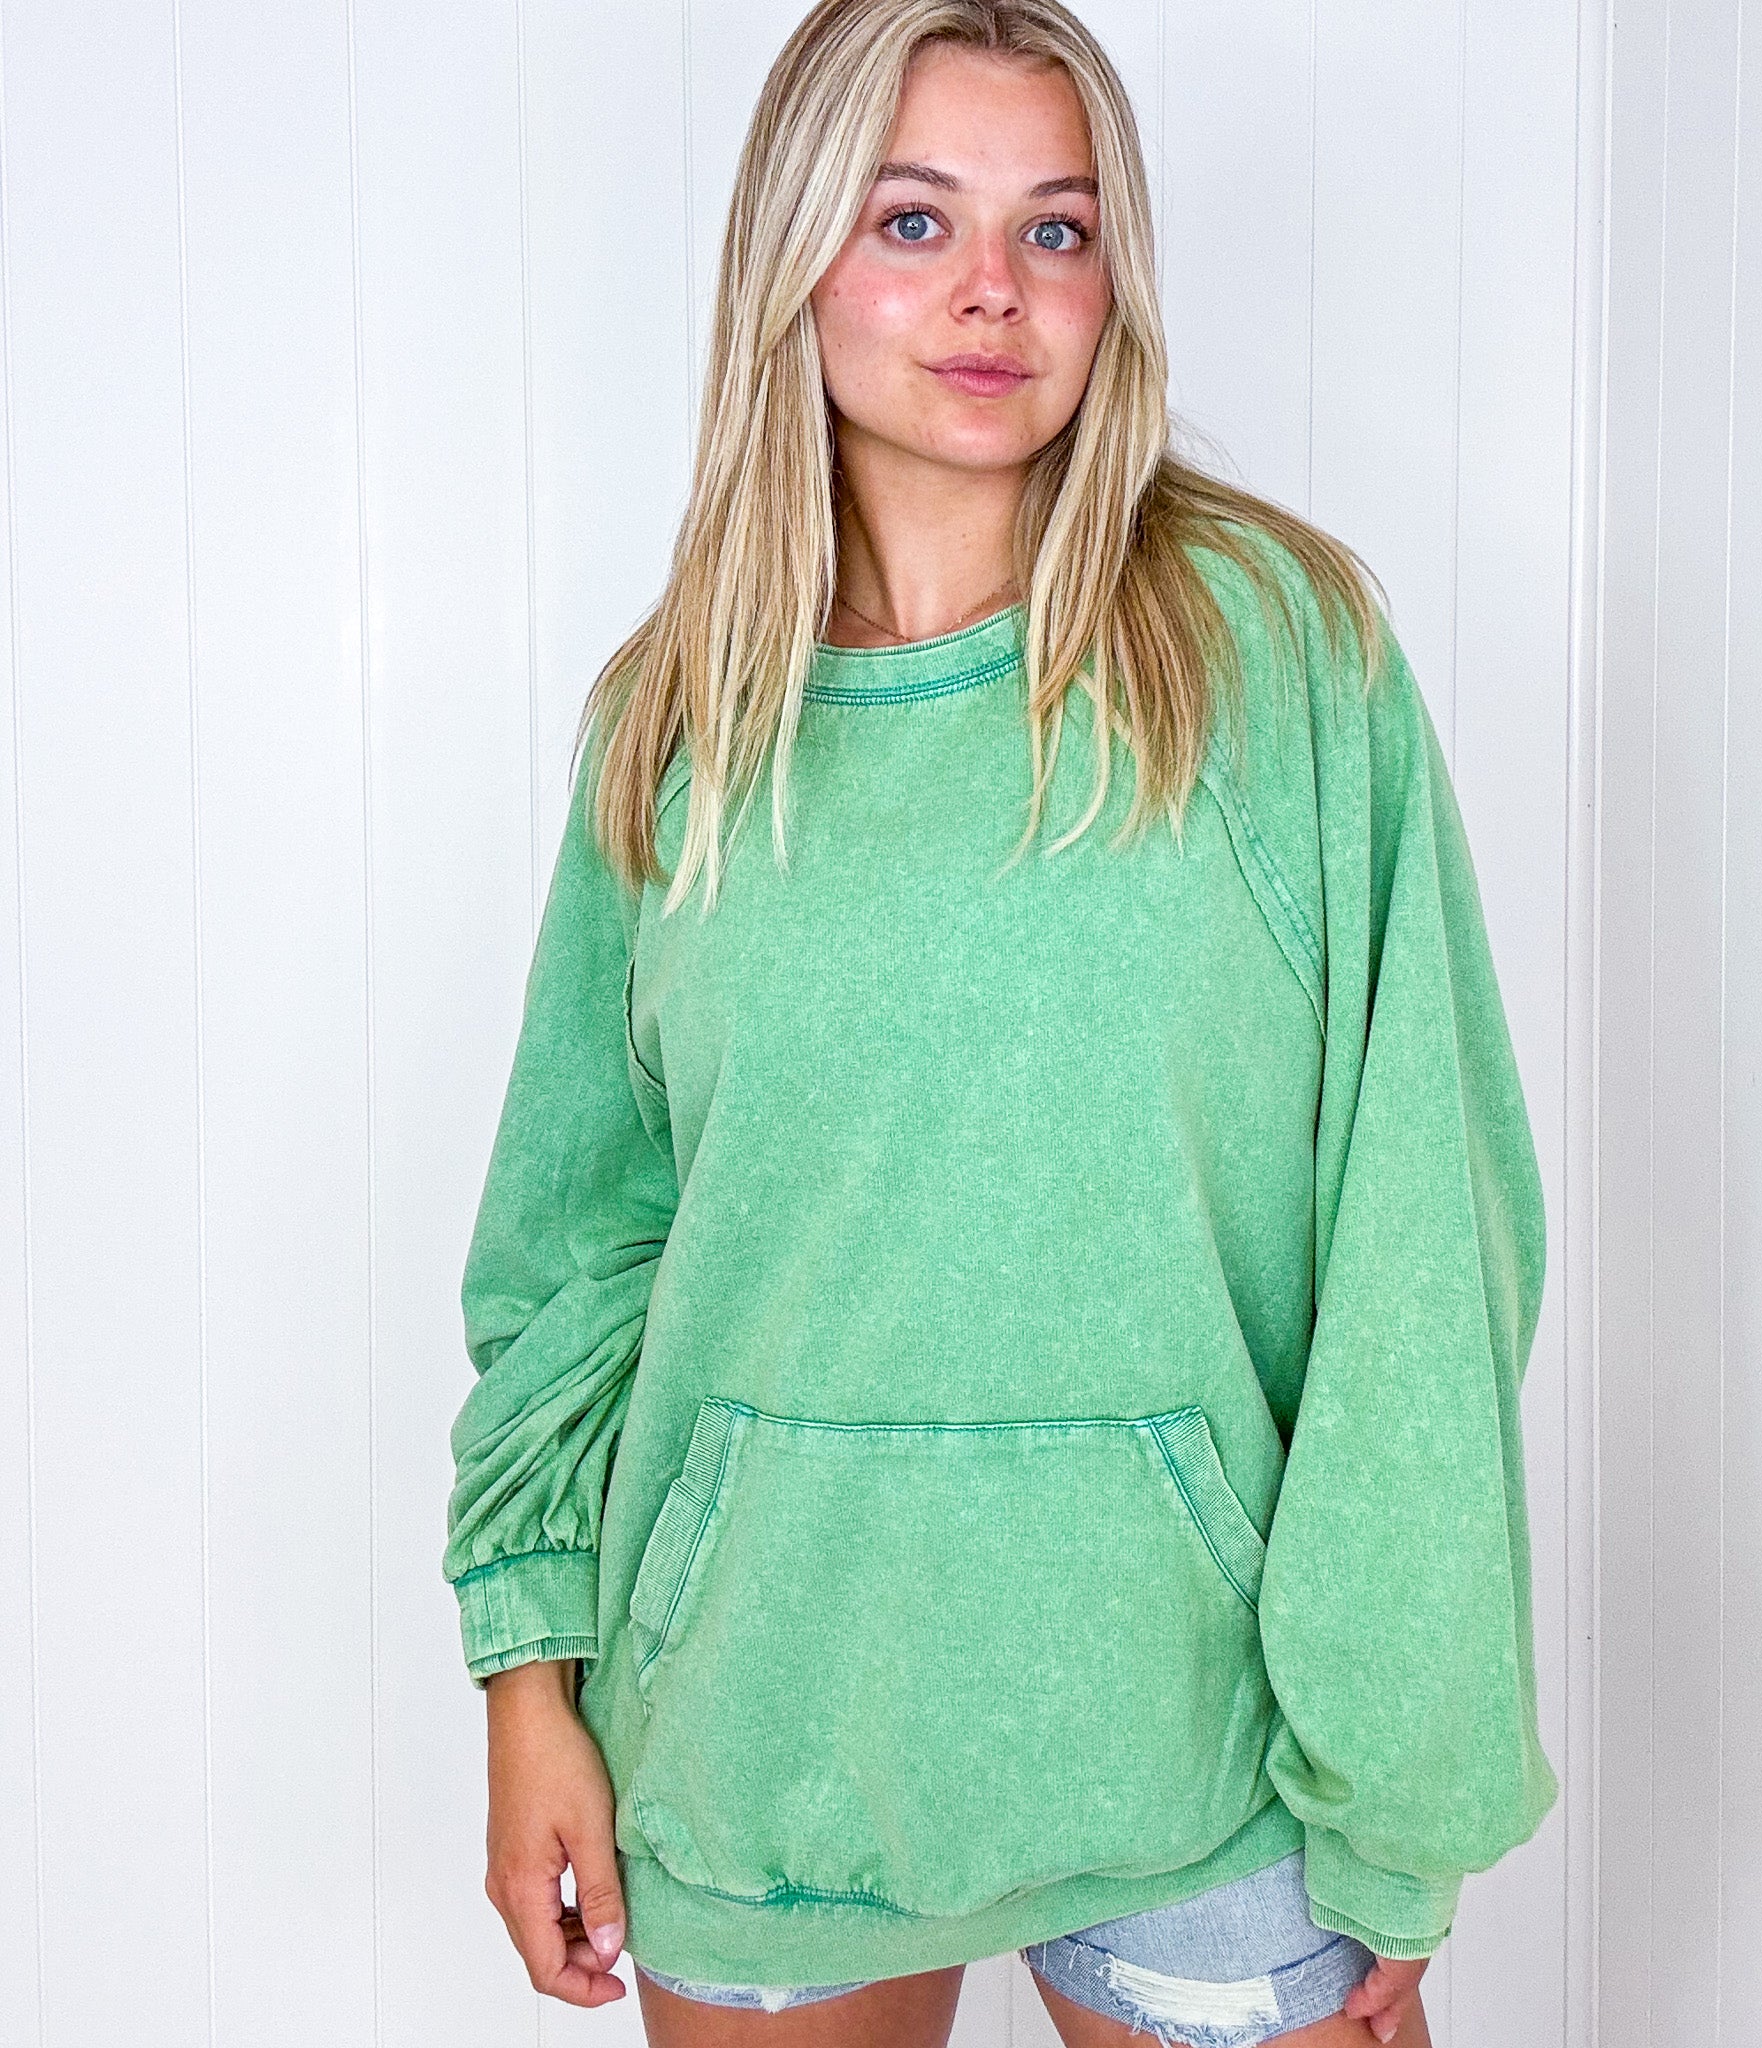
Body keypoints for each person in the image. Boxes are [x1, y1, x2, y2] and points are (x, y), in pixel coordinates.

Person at [441, 3, 1557, 2044]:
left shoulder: (1277, 658)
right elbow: (577, 1255)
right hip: (764, 1732)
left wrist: (1405, 1790)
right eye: (912, 219)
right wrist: (530, 1680)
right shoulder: (677, 722)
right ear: (793, 254)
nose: (992, 291)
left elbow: (1425, 1239)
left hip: (1209, 1755)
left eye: (1057, 228)